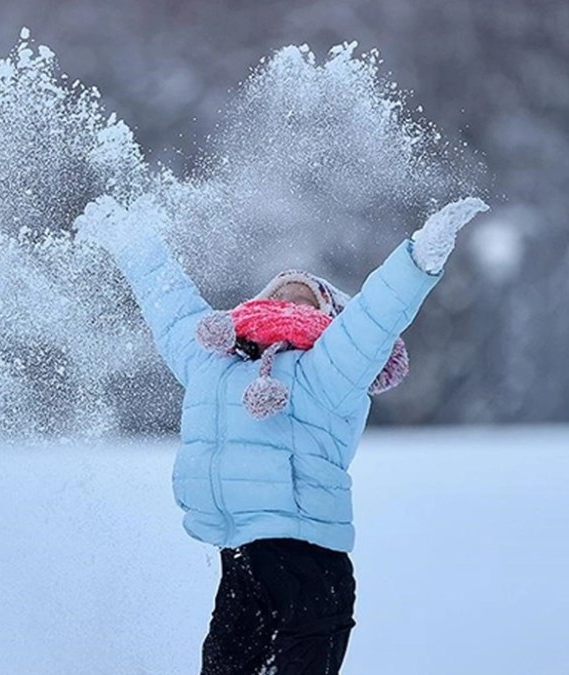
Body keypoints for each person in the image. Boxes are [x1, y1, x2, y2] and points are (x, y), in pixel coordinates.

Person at [73, 194, 488, 675]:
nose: (288, 300)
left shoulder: (329, 369)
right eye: (279, 293)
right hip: (242, 562)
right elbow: (171, 307)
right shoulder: (213, 362)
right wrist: (133, 243)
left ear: (330, 318)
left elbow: (374, 317)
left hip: (311, 568)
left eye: (305, 297)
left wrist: (418, 259)